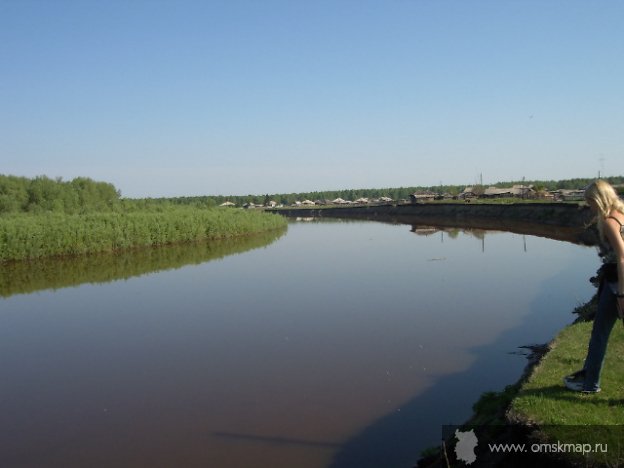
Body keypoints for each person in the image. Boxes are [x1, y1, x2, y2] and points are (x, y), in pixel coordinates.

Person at [564, 179, 624, 393]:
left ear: (599, 199)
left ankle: (590, 385)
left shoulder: (609, 221)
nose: (589, 206)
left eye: (590, 201)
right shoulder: (623, 216)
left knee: (600, 334)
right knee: (600, 332)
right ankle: (588, 380)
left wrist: (621, 296)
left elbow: (622, 258)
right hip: (614, 281)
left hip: (618, 282)